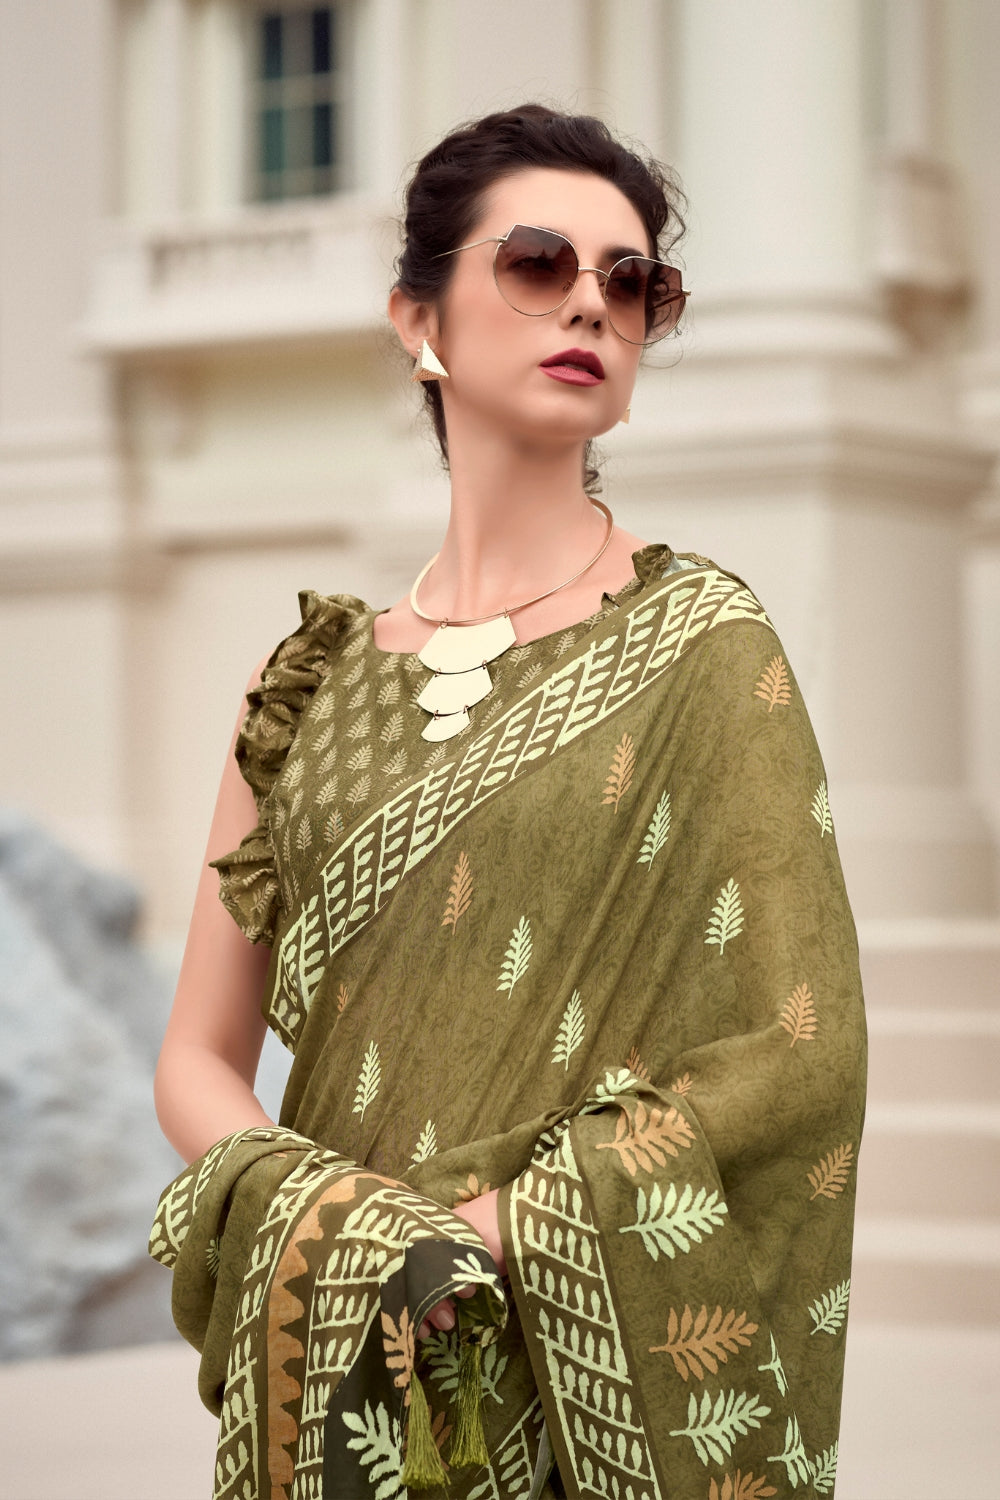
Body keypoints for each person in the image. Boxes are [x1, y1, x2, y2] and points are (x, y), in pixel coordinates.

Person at [152, 105, 866, 1500]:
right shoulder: (305, 686)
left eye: (631, 282)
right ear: (418, 317)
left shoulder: (704, 647)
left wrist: (486, 1235)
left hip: (548, 1351)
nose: (592, 302)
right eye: (539, 263)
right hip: (341, 1349)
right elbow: (195, 1055)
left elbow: (801, 1045)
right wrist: (340, 1225)